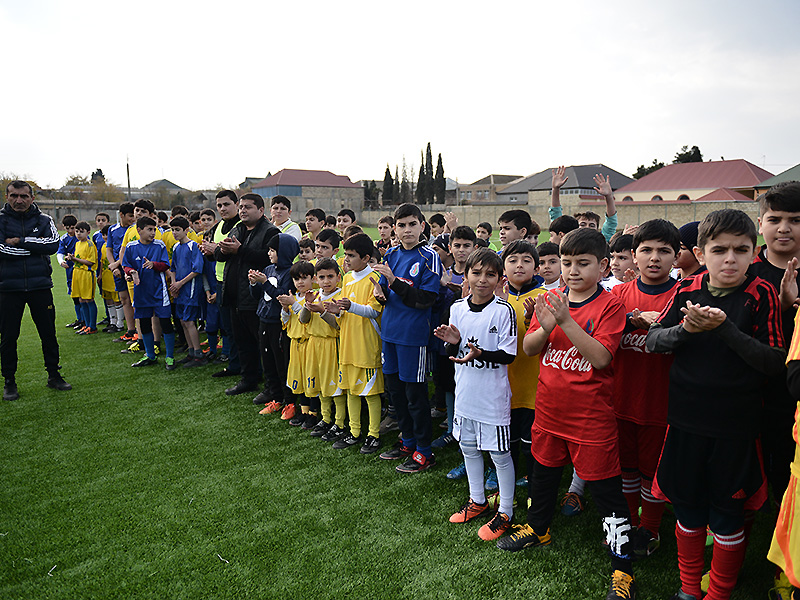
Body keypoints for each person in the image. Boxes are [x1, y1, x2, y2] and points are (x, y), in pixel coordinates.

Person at [645, 209, 785, 600]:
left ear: (753, 253)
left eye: (740, 250)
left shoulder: (761, 293)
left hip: (735, 428)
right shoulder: (687, 289)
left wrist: (724, 328)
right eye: (719, 249)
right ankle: (689, 588)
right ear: (701, 253)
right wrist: (686, 330)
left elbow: (773, 361)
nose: (730, 259)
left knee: (726, 514)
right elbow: (655, 342)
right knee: (688, 510)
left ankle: (719, 592)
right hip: (684, 422)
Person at [502, 227, 636, 600]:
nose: (573, 271)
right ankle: (538, 528)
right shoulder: (551, 297)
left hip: (590, 417)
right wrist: (545, 326)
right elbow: (529, 349)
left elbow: (602, 358)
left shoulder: (609, 305)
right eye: (566, 263)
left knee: (608, 493)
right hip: (549, 410)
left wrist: (564, 322)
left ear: (603, 265)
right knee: (542, 475)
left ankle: (622, 568)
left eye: (583, 263)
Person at [609, 219, 680, 558]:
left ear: (676, 257)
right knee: (626, 468)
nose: (654, 258)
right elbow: (599, 333)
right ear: (633, 256)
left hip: (661, 403)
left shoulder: (685, 293)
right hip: (620, 399)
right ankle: (627, 520)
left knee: (653, 471)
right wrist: (627, 322)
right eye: (646, 250)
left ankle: (649, 528)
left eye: (664, 251)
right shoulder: (617, 295)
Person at [436, 248, 517, 541]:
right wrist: (453, 343)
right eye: (477, 273)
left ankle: (506, 510)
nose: (483, 280)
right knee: (468, 447)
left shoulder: (503, 310)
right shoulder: (457, 307)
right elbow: (451, 348)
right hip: (465, 392)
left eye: (490, 274)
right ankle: (478, 500)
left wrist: (479, 353)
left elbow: (508, 356)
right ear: (466, 275)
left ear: (498, 279)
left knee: (499, 453)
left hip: (492, 396)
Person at [0, 180, 70, 400]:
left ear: (32, 198)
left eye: (23, 196)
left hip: (40, 286)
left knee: (48, 333)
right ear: (7, 197)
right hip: (8, 289)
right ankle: (9, 382)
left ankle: (53, 375)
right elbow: (1, 250)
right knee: (9, 336)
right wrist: (33, 248)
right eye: (14, 196)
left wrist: (20, 241)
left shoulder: (45, 220)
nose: (19, 200)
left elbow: (51, 245)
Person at [324, 234, 384, 454]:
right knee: (351, 390)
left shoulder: (375, 278)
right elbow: (345, 310)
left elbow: (373, 311)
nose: (346, 259)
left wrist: (350, 306)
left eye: (351, 255)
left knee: (370, 393)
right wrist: (336, 310)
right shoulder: (347, 278)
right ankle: (355, 431)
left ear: (366, 257)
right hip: (348, 344)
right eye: (346, 254)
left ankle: (374, 435)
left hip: (367, 345)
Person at [500, 239, 546, 493]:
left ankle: (532, 482)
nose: (519, 265)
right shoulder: (496, 298)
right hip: (503, 384)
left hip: (533, 386)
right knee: (507, 441)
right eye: (513, 260)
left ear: (536, 269)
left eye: (527, 260)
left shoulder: (544, 298)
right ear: (503, 267)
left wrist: (532, 321)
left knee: (531, 442)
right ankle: (506, 482)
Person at [248, 233, 299, 411]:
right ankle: (275, 396)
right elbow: (259, 296)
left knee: (281, 362)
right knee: (267, 360)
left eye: (273, 250)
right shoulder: (269, 269)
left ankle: (289, 400)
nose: (269, 253)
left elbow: (282, 297)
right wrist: (254, 284)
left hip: (280, 323)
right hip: (264, 320)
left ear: (284, 252)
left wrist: (265, 283)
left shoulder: (291, 273)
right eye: (269, 250)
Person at [121, 216, 177, 370]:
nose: (153, 233)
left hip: (159, 292)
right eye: (150, 229)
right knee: (144, 324)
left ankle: (170, 357)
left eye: (155, 229)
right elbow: (126, 265)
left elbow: (166, 265)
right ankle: (150, 355)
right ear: (139, 230)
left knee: (165, 323)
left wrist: (154, 264)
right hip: (141, 292)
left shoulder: (159, 245)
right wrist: (131, 272)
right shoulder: (131, 247)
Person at [300, 258, 342, 434]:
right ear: (316, 279)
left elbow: (338, 326)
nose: (326, 281)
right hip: (314, 344)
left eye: (330, 276)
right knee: (320, 385)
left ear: (338, 277)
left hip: (331, 345)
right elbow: (303, 320)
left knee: (335, 387)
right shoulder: (315, 295)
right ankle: (325, 419)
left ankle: (340, 423)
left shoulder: (340, 296)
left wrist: (322, 312)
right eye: (322, 277)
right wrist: (307, 306)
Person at [202, 190, 241, 378]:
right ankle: (234, 364)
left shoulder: (241, 225)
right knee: (227, 326)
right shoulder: (218, 226)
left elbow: (233, 252)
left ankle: (243, 366)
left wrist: (215, 249)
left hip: (236, 282)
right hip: (220, 281)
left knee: (238, 328)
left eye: (226, 204)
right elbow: (217, 257)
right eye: (219, 205)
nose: (222, 208)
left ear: (236, 204)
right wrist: (209, 252)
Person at [275, 261, 314, 421]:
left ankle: (314, 412)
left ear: (313, 278)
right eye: (297, 279)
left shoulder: (314, 296)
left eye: (304, 278)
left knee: (311, 377)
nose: (300, 282)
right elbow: (286, 321)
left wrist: (293, 304)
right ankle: (303, 410)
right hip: (295, 343)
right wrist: (285, 309)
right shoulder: (294, 296)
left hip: (310, 343)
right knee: (299, 377)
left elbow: (306, 318)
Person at [168, 216, 205, 367]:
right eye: (172, 230)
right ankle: (191, 352)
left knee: (190, 321)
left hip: (190, 290)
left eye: (177, 230)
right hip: (180, 290)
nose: (174, 233)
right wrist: (174, 285)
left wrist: (180, 283)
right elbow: (173, 269)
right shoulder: (176, 248)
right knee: (183, 321)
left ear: (186, 230)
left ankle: (199, 354)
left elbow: (197, 270)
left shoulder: (193, 246)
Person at [550, 166, 618, 242]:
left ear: (597, 229)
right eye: (582, 224)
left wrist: (609, 196)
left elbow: (611, 222)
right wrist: (555, 189)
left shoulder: (600, 242)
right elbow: (556, 220)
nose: (587, 227)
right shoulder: (568, 242)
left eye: (592, 225)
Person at [106, 202, 137, 342]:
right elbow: (109, 249)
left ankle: (139, 330)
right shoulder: (112, 229)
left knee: (135, 300)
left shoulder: (135, 229)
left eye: (133, 215)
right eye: (130, 216)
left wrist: (116, 264)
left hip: (130, 268)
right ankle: (130, 330)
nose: (132, 218)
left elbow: (126, 252)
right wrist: (114, 267)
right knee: (124, 299)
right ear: (121, 215)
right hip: (118, 269)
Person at [67, 221, 98, 334]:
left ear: (88, 232)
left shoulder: (90, 244)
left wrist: (75, 259)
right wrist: (71, 257)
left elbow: (90, 262)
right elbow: (79, 257)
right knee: (81, 299)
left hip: (86, 274)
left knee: (89, 299)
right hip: (77, 273)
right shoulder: (77, 244)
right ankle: (86, 324)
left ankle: (92, 326)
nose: (78, 234)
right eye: (77, 231)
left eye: (81, 231)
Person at [57, 214, 81, 328]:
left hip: (82, 270)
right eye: (68, 228)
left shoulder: (81, 237)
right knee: (74, 296)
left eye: (73, 228)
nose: (71, 231)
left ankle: (86, 321)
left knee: (83, 296)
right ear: (64, 227)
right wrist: (61, 261)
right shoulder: (63, 238)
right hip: (70, 271)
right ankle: (80, 319)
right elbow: (60, 252)